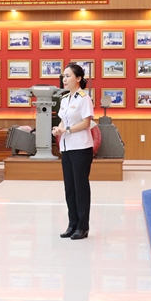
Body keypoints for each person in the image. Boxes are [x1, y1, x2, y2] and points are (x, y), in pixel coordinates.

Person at [52, 64, 95, 241]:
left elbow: (86, 123)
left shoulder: (84, 98)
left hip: (81, 148)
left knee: (80, 187)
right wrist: (59, 129)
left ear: (78, 79)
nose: (64, 79)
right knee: (69, 188)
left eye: (68, 76)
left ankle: (83, 227)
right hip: (67, 147)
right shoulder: (64, 99)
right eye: (64, 76)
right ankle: (72, 224)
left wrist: (67, 130)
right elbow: (63, 120)